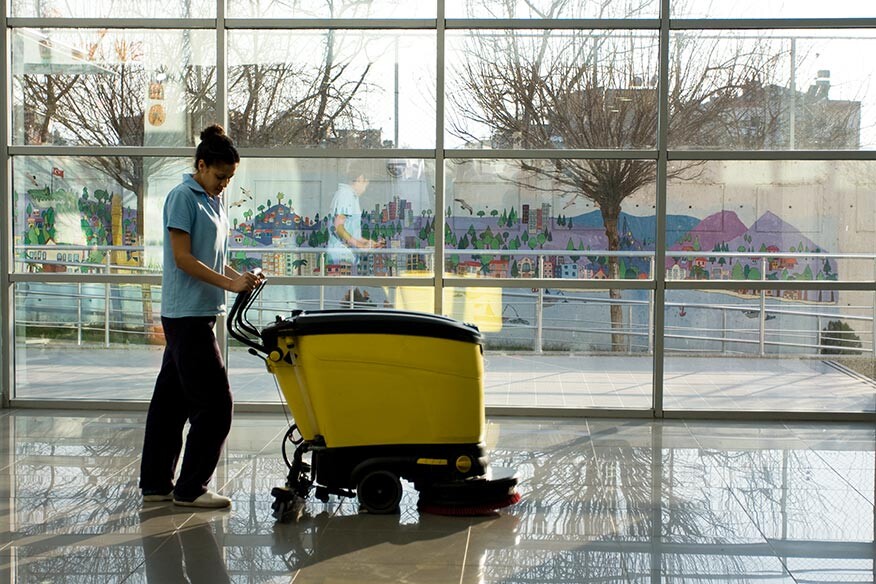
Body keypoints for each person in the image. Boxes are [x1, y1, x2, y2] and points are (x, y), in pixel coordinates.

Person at [139, 124, 263, 509]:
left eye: (230, 178)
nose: (225, 183)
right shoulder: (182, 197)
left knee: (170, 405)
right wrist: (228, 286)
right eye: (220, 175)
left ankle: (156, 483)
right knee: (216, 405)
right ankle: (191, 488)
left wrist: (239, 278)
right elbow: (183, 258)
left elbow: (214, 259)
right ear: (202, 164)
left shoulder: (214, 200)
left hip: (200, 313)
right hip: (185, 315)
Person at [326, 162, 384, 268]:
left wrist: (366, 242)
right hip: (341, 258)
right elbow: (339, 227)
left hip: (345, 258)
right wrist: (360, 245)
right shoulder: (346, 195)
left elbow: (349, 232)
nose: (365, 188)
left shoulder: (351, 196)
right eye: (365, 183)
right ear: (359, 179)